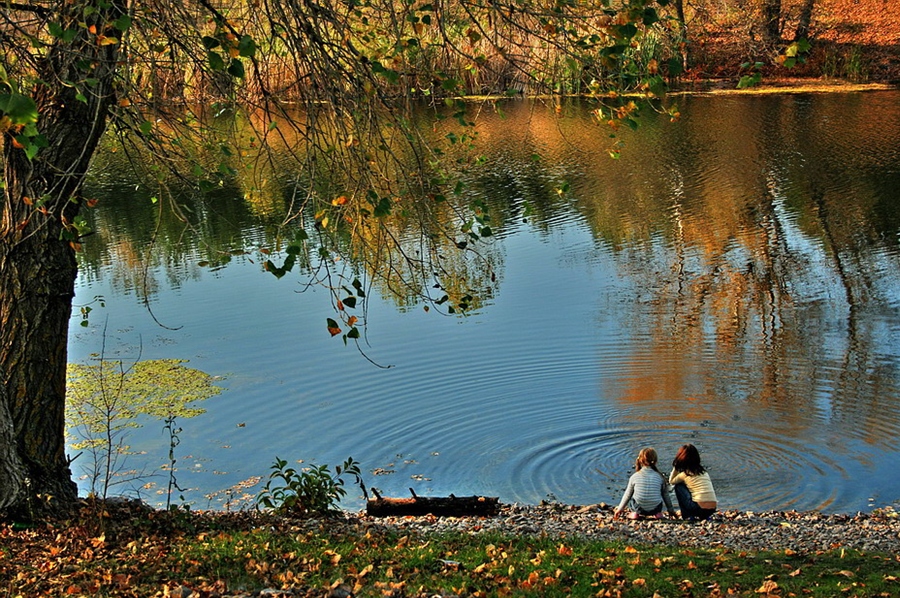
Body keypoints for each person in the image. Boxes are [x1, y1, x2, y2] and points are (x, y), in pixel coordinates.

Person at [613, 447, 677, 520]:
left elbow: (627, 495)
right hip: (655, 508)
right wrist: (670, 510)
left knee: (633, 496)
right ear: (655, 461)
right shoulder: (660, 477)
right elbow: (666, 495)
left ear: (640, 460)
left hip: (639, 508)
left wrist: (620, 509)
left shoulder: (634, 476)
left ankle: (634, 514)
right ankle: (658, 514)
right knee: (659, 496)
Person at [669, 443, 717, 521]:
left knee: (679, 487)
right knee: (695, 489)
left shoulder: (684, 474)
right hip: (712, 509)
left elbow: (671, 481)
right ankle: (705, 516)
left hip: (698, 509)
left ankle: (687, 516)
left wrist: (676, 466)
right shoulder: (704, 472)